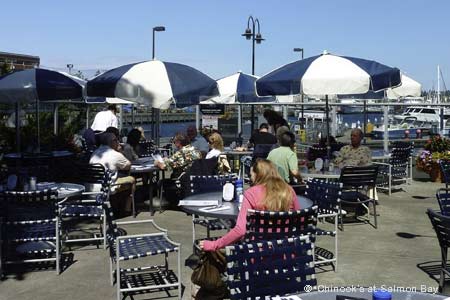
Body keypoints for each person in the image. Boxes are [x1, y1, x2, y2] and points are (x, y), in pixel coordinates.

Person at [200, 159, 300, 251]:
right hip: (287, 253)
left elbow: (240, 230)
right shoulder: (288, 191)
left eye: (251, 174)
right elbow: (300, 221)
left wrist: (214, 245)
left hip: (258, 255)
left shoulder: (251, 194)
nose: (251, 178)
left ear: (258, 175)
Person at [89, 132, 135, 216]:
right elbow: (128, 165)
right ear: (112, 142)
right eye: (116, 140)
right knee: (131, 180)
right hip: (106, 187)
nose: (118, 142)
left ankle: (115, 207)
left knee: (116, 179)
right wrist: (120, 151)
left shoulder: (95, 153)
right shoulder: (115, 154)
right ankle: (127, 209)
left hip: (91, 187)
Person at [155, 133, 201, 206]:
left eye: (174, 142)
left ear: (178, 142)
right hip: (196, 178)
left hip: (184, 179)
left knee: (161, 182)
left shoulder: (181, 152)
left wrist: (157, 162)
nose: (174, 144)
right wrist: (169, 159)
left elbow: (164, 167)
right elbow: (179, 162)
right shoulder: (195, 150)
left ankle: (171, 202)